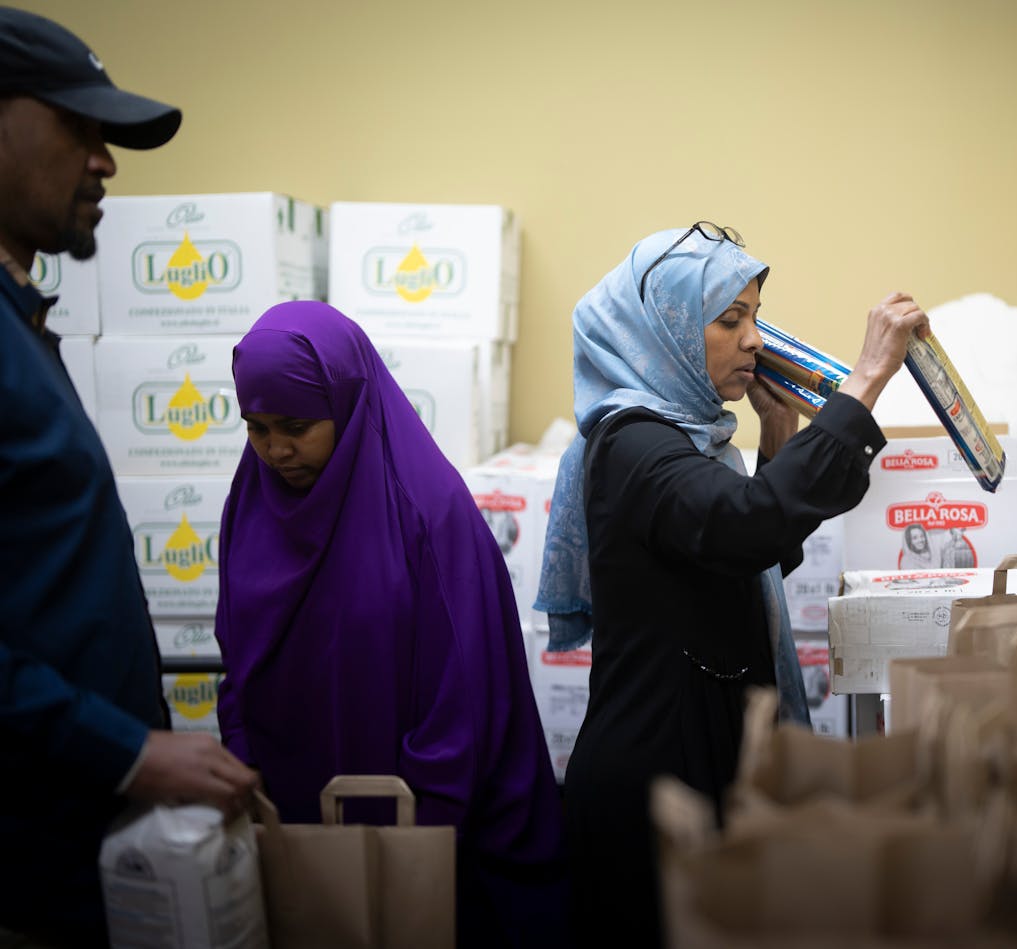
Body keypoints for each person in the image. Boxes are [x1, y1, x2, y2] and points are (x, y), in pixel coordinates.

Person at [535, 221, 928, 946]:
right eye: (730, 319)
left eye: (754, 316)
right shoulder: (634, 442)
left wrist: (778, 439)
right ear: (669, 330)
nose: (755, 339)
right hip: (651, 786)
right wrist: (864, 380)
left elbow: (731, 563)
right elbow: (743, 525)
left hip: (694, 753)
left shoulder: (687, 436)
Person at [0, 8, 258, 946]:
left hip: (93, 853)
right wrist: (124, 753)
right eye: (80, 126)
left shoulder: (25, 320)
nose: (106, 160)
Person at [215, 300, 568, 948]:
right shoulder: (252, 501)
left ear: (348, 404)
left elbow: (461, 695)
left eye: (295, 424)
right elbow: (236, 646)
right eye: (256, 427)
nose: (276, 449)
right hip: (290, 818)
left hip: (420, 826)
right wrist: (245, 764)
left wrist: (414, 836)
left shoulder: (428, 515)